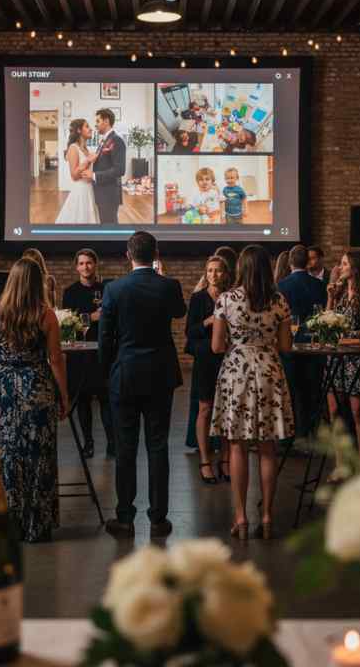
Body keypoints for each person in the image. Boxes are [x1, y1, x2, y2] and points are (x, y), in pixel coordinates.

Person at [99, 231, 186, 539]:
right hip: (160, 374)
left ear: (128, 255)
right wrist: (163, 276)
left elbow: (105, 337)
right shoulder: (169, 286)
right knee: (158, 445)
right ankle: (159, 519)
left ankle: (125, 519)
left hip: (125, 375)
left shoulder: (114, 289)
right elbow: (180, 312)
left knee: (125, 448)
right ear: (156, 254)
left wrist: (108, 371)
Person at [0, 258, 69, 543]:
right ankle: (37, 524)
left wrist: (6, 363)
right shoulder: (46, 315)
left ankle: (11, 523)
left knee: (9, 456)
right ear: (36, 284)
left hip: (5, 387)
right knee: (39, 455)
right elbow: (55, 359)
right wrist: (63, 396)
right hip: (37, 386)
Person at [211, 245, 293, 540]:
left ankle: (241, 518)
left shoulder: (226, 300)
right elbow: (286, 347)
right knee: (268, 447)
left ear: (240, 268)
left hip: (237, 372)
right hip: (270, 371)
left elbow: (217, 347)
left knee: (237, 446)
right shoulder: (279, 300)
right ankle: (268, 516)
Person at [326, 251, 360, 457]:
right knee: (334, 411)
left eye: (344, 264)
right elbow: (327, 322)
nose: (340, 267)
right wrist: (330, 298)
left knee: (359, 412)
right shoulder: (339, 293)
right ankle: (340, 464)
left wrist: (350, 336)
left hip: (356, 358)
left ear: (356, 267)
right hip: (336, 357)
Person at [62, 248, 114, 459]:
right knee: (82, 401)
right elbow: (66, 325)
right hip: (79, 354)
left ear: (95, 265)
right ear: (76, 267)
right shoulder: (70, 292)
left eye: (89, 263)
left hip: (102, 353)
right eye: (82, 263)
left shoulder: (107, 290)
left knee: (106, 400)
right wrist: (90, 318)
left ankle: (112, 443)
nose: (86, 267)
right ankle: (88, 443)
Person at [186, 256, 230, 485]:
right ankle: (205, 461)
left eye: (218, 270)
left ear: (225, 274)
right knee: (205, 409)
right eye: (210, 270)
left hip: (228, 359)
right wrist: (207, 322)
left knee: (226, 411)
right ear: (206, 273)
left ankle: (225, 460)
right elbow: (189, 332)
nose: (214, 274)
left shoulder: (232, 297)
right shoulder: (198, 298)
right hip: (205, 360)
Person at [277, 244, 327, 438]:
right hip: (313, 344)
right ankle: (310, 434)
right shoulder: (319, 285)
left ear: (290, 262)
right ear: (307, 262)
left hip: (288, 345)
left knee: (290, 392)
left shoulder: (280, 286)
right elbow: (323, 314)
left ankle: (290, 434)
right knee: (312, 391)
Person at [55, 118, 100, 225]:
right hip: (80, 190)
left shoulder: (86, 149)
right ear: (79, 130)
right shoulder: (73, 148)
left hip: (89, 190)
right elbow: (74, 176)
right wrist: (88, 160)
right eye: (87, 126)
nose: (91, 129)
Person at [91, 108, 127, 225]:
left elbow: (120, 170)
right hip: (103, 192)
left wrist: (94, 175)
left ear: (106, 121)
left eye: (97, 121)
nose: (95, 125)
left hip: (109, 193)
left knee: (109, 225)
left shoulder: (117, 140)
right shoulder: (104, 140)